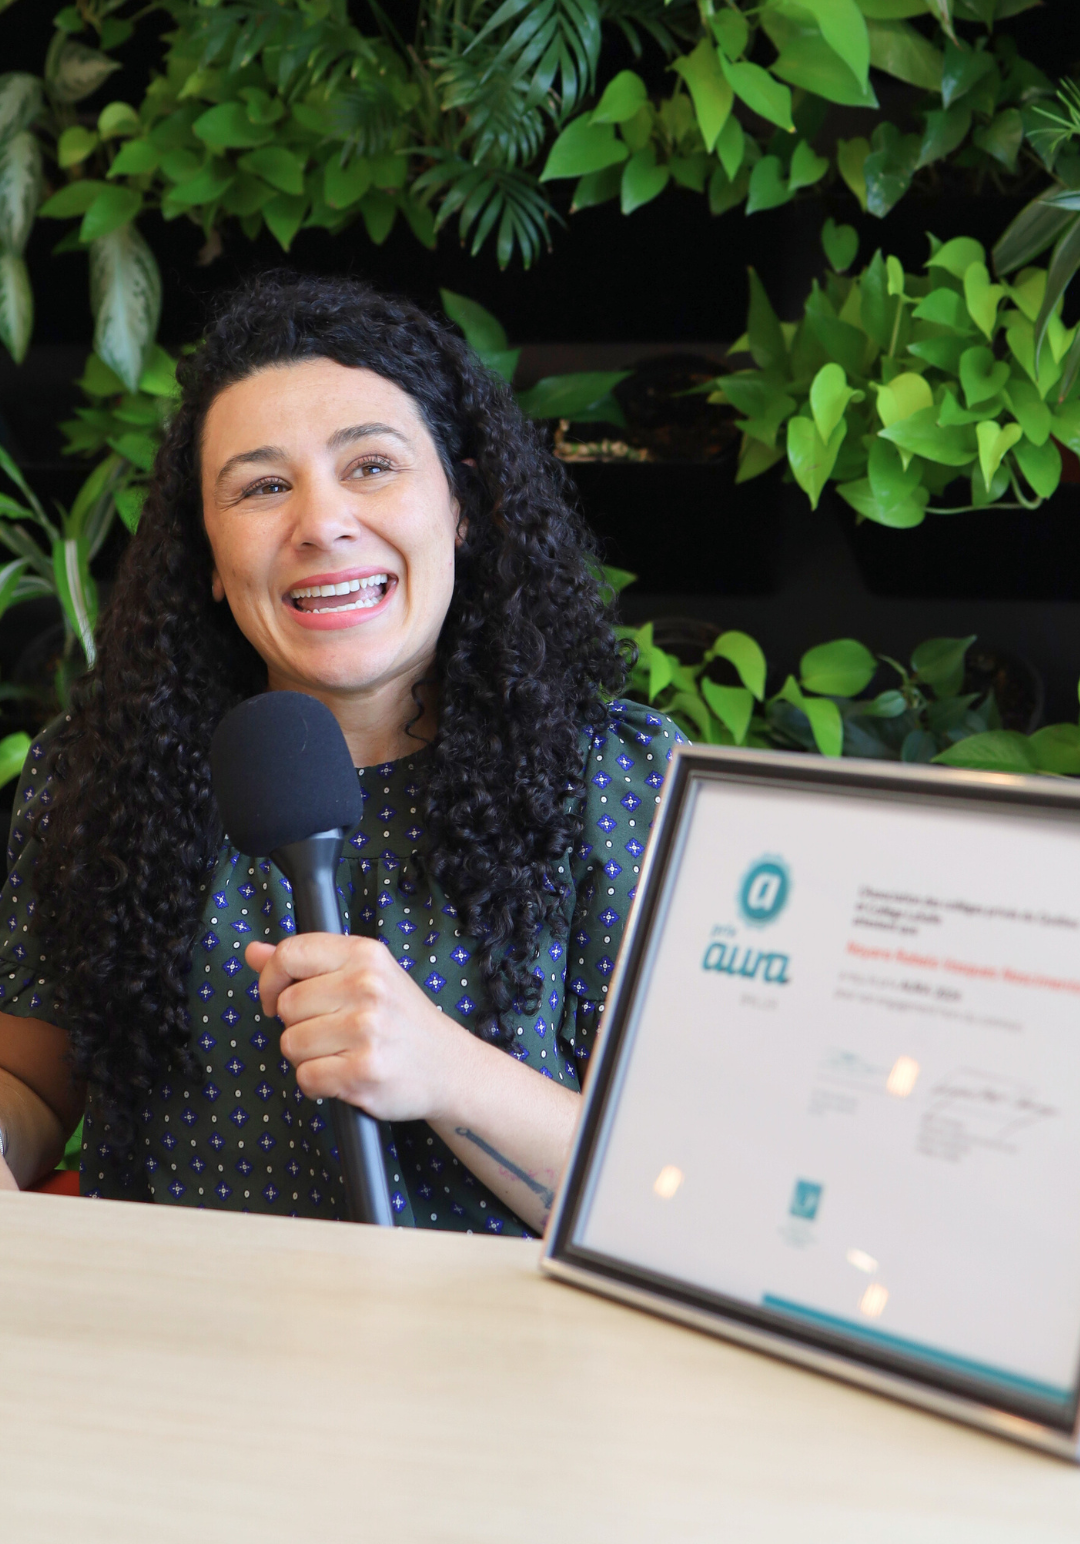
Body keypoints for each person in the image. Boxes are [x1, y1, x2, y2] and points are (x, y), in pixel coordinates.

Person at [0, 273, 684, 1234]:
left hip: (502, 1369)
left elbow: (681, 1194)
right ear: (205, 550)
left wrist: (445, 1072)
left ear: (465, 506)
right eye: (263, 487)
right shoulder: (101, 776)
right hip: (184, 1358)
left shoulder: (622, 779)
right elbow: (27, 1083)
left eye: (371, 466)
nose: (320, 524)